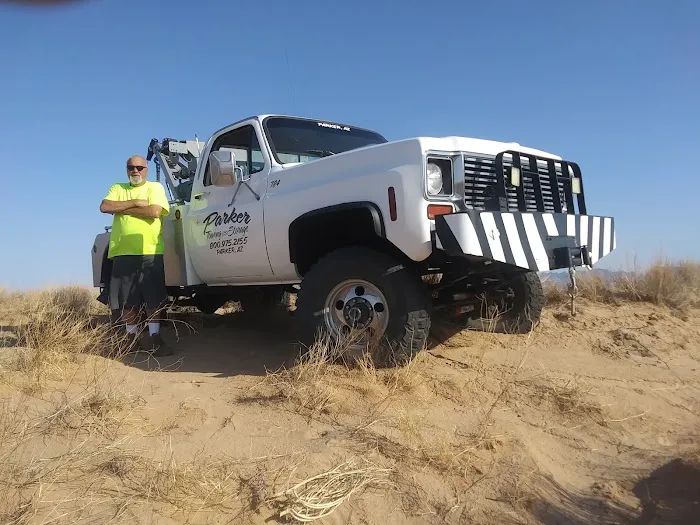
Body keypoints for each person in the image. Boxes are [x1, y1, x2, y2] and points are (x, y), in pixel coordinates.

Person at [100, 155, 173, 356]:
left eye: (140, 167)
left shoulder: (155, 188)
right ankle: (131, 340)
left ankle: (155, 337)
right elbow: (105, 207)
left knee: (153, 297)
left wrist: (122, 209)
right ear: (126, 169)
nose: (135, 171)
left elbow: (155, 211)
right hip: (122, 252)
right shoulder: (118, 187)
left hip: (149, 251)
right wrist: (136, 203)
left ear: (146, 169)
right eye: (131, 167)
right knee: (127, 299)